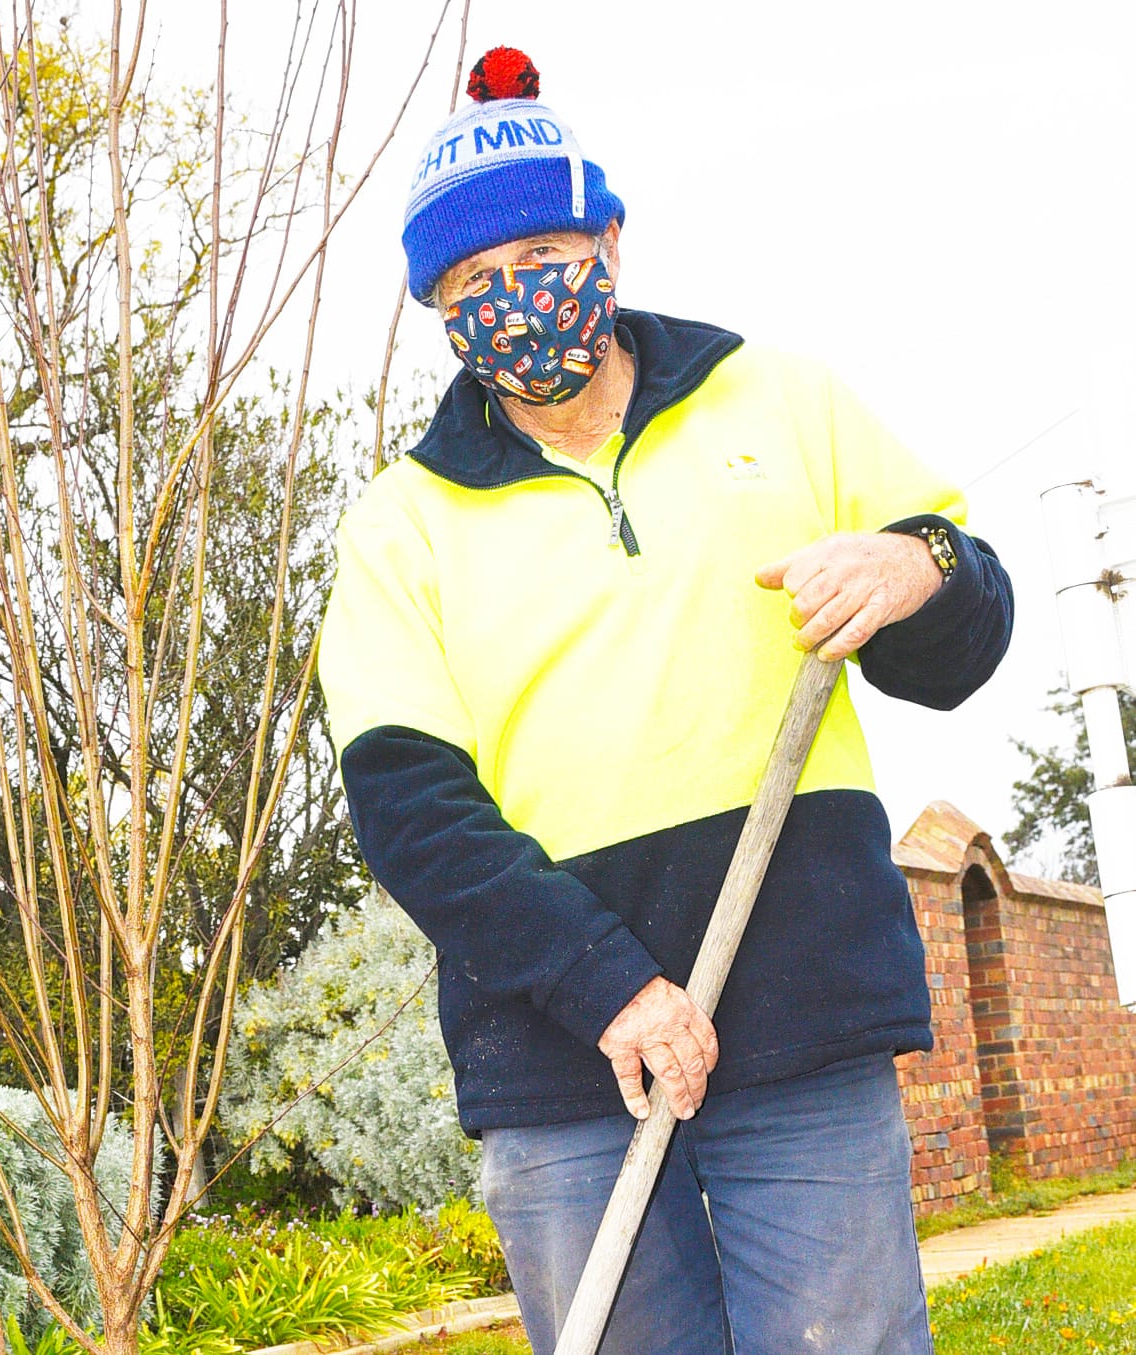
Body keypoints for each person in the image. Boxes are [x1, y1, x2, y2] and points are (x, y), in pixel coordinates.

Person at [316, 45, 1013, 1355]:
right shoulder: (399, 527)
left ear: (610, 240)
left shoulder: (783, 399)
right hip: (560, 1064)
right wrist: (608, 986)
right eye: (474, 281)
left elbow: (959, 636)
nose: (516, 296)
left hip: (802, 1021)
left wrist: (913, 567)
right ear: (439, 310)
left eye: (540, 254)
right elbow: (408, 805)